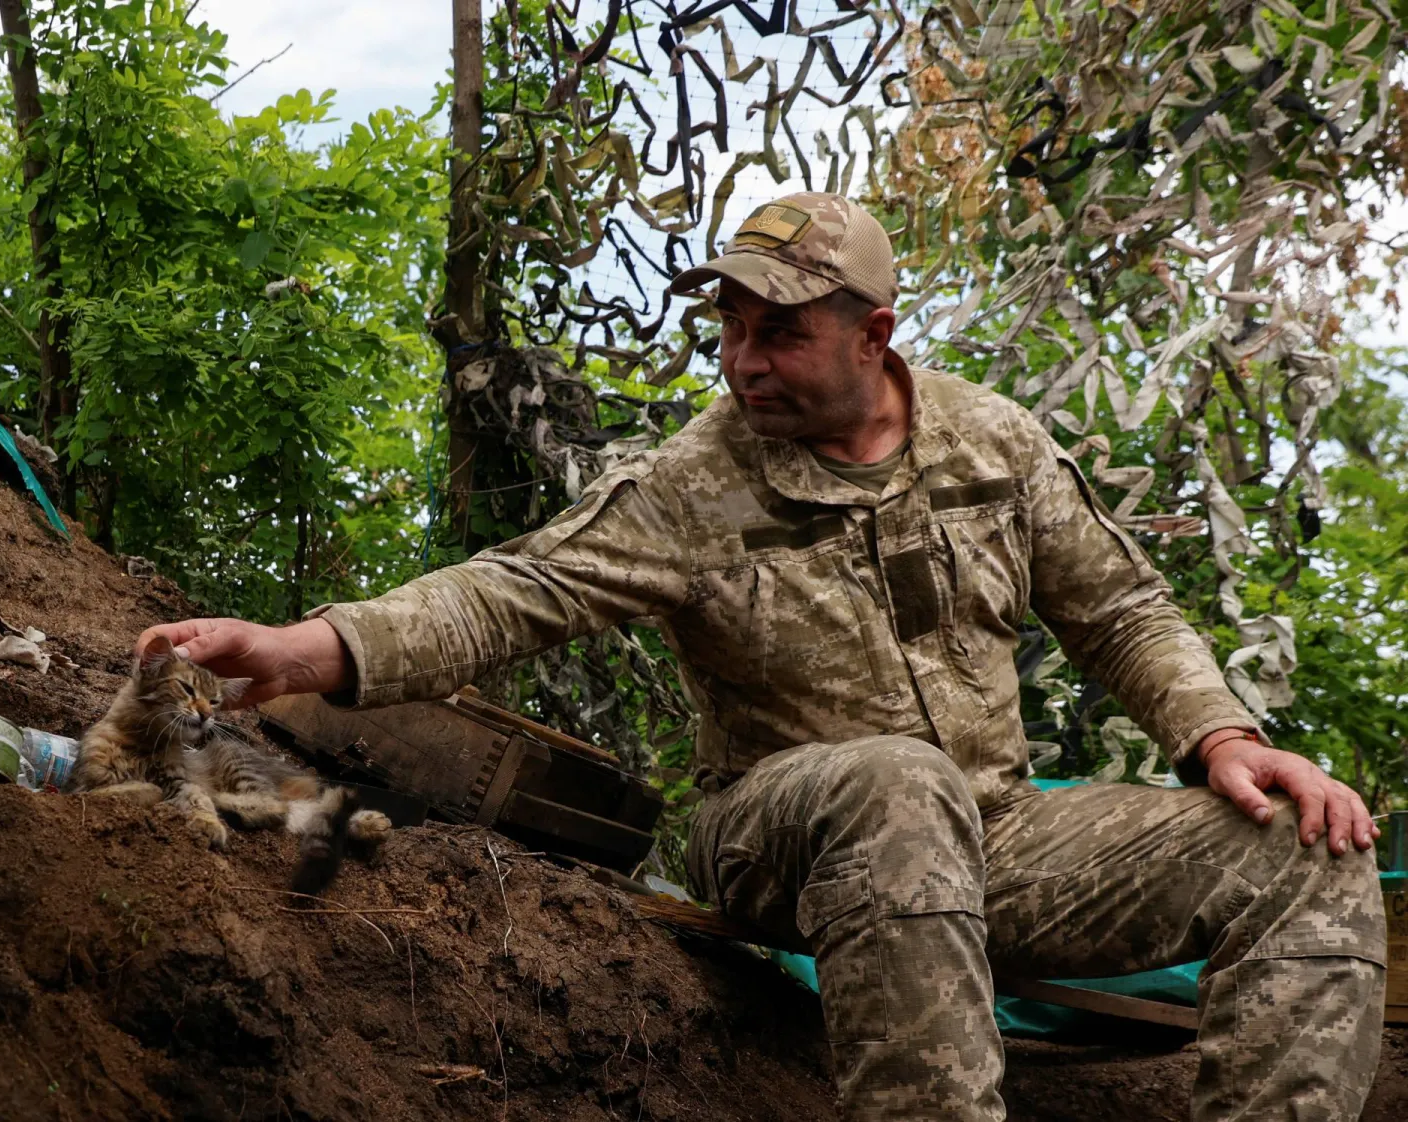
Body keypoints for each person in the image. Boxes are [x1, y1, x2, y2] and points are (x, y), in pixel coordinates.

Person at [141, 192, 1386, 1121]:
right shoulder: (698, 482)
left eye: (780, 332)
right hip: (773, 835)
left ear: (874, 334)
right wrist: (311, 649)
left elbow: (1123, 610)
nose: (744, 361)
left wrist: (1225, 740)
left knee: (1305, 844)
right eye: (731, 327)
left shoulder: (993, 446)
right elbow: (517, 590)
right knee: (897, 778)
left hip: (994, 836)